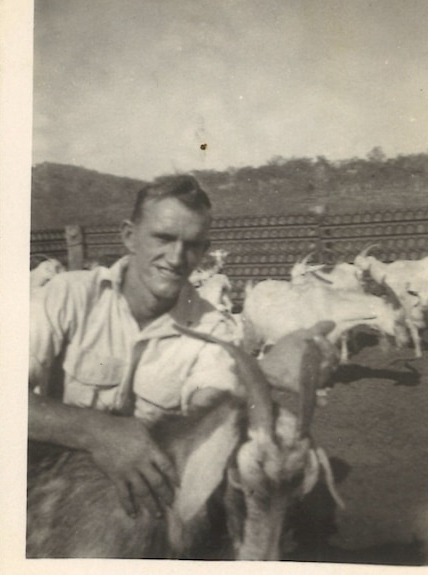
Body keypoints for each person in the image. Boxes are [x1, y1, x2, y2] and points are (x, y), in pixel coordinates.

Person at [29, 174, 337, 518]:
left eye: (192, 245)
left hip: (141, 507)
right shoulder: (65, 296)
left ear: (204, 252)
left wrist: (262, 374)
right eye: (163, 237)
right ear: (130, 236)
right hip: (44, 494)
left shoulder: (213, 328)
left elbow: (208, 418)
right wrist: (96, 431)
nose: (176, 257)